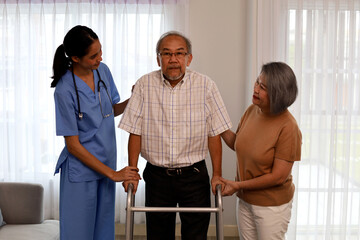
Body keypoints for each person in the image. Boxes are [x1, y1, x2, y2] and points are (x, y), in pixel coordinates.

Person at [118, 31, 232, 240]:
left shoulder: (206, 85)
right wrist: (132, 171)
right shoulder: (144, 84)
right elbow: (135, 130)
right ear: (158, 58)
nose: (173, 60)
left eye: (179, 54)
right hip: (157, 176)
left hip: (195, 175)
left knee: (196, 235)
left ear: (189, 58)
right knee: (159, 235)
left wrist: (217, 174)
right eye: (167, 54)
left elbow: (214, 133)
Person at [51, 25, 141, 240]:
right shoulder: (64, 90)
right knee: (78, 234)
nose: (100, 58)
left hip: (106, 166)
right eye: (93, 56)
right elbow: (72, 145)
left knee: (103, 232)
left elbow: (110, 110)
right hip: (82, 173)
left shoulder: (102, 71)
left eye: (100, 51)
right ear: (75, 57)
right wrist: (113, 174)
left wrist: (135, 98)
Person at [220, 62, 302, 240]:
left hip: (271, 206)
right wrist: (218, 126)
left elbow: (278, 176)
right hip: (245, 200)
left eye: (262, 87)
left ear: (277, 94)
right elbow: (238, 145)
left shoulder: (288, 127)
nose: (256, 89)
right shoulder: (252, 111)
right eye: (257, 82)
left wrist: (238, 186)